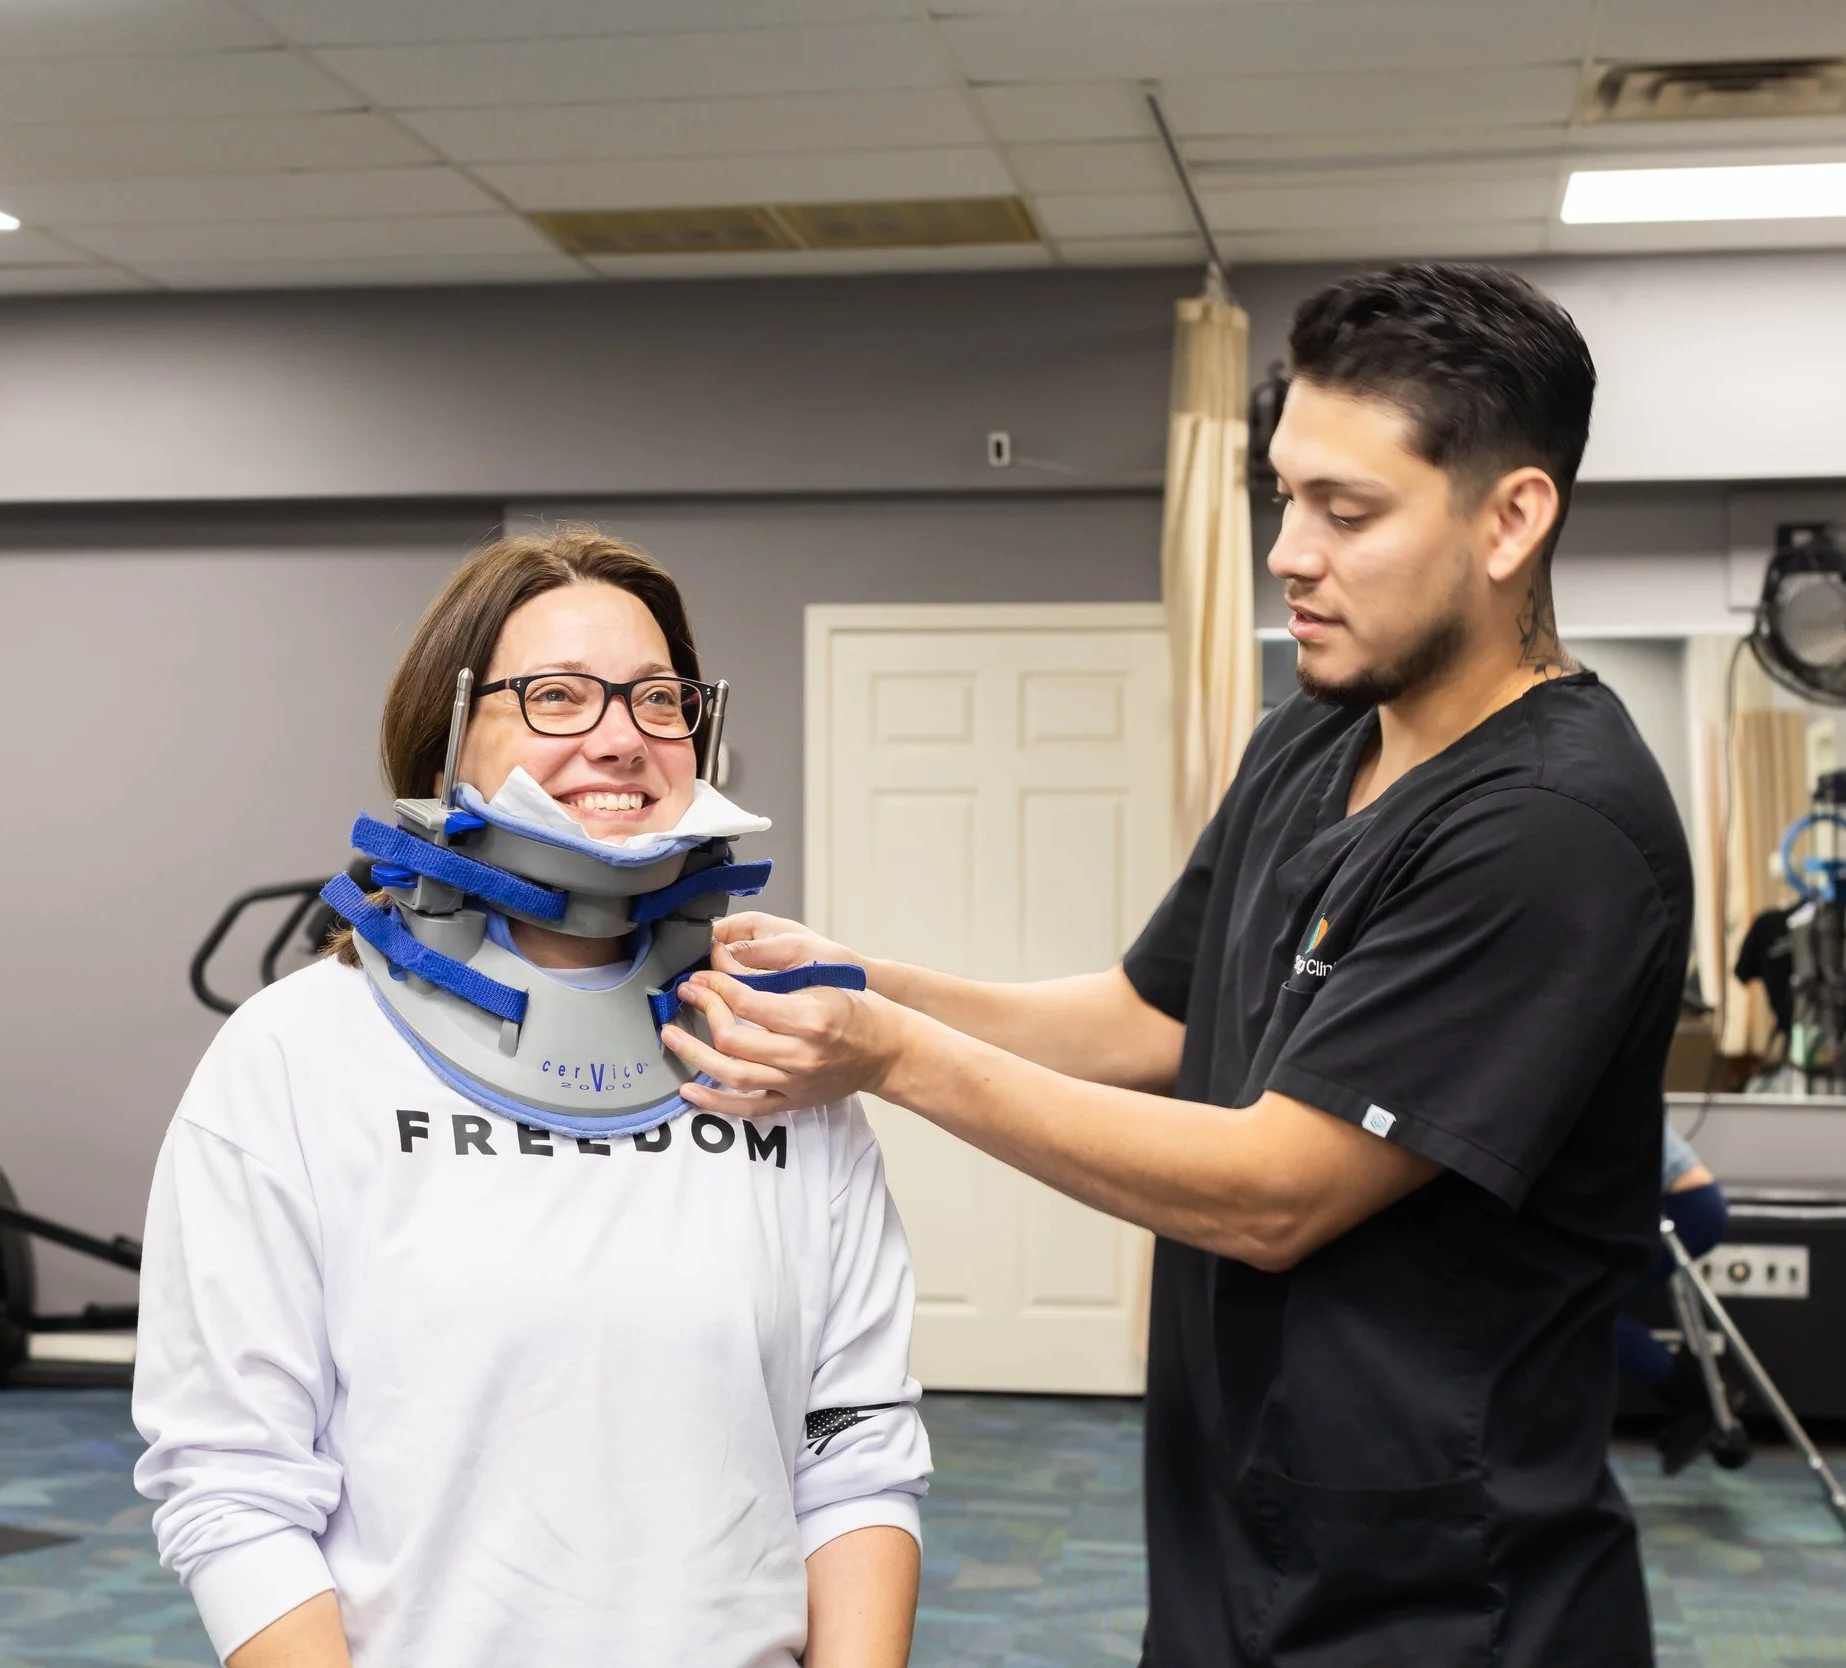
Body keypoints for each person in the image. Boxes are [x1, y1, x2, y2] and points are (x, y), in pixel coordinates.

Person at [662, 264, 1691, 1666]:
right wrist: (876, 983)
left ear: (1512, 519)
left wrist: (893, 1056)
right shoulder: (1316, 736)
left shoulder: (1552, 829)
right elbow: (1150, 1016)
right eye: (1285, 496)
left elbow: (1277, 1193)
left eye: (1350, 511)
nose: (1289, 552)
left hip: (1447, 1597)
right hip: (1237, 1540)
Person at [132, 529, 929, 1668]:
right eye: (557, 696)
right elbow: (229, 1482)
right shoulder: (295, 1059)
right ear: (446, 737)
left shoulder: (781, 1063)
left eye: (659, 700)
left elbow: (854, 1450)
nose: (619, 737)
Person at [1615, 1122, 1739, 1472]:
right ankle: (1694, 1392)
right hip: (1683, 1201)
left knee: (1583, 1310)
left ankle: (1694, 1396)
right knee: (1582, 1309)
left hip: (1683, 1205)